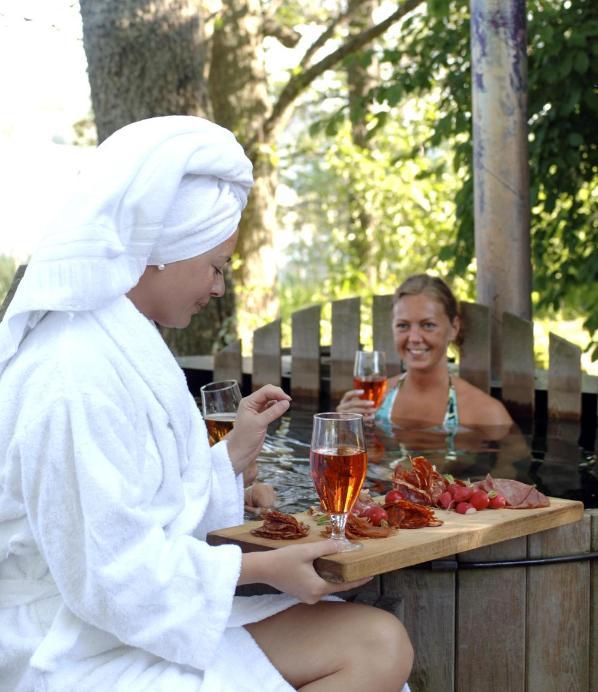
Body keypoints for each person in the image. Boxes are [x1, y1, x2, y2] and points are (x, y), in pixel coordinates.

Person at [0, 116, 413, 692]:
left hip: (115, 621)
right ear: (162, 251)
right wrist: (261, 567)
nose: (219, 288)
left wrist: (228, 464)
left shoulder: (112, 345)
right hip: (69, 644)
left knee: (376, 641)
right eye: (215, 266)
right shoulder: (73, 373)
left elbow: (129, 511)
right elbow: (105, 571)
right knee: (375, 647)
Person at [338, 274, 513, 436]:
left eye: (428, 325)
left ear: (454, 328)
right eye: (403, 326)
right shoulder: (371, 403)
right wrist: (343, 429)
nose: (414, 338)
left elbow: (512, 465)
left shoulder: (485, 413)